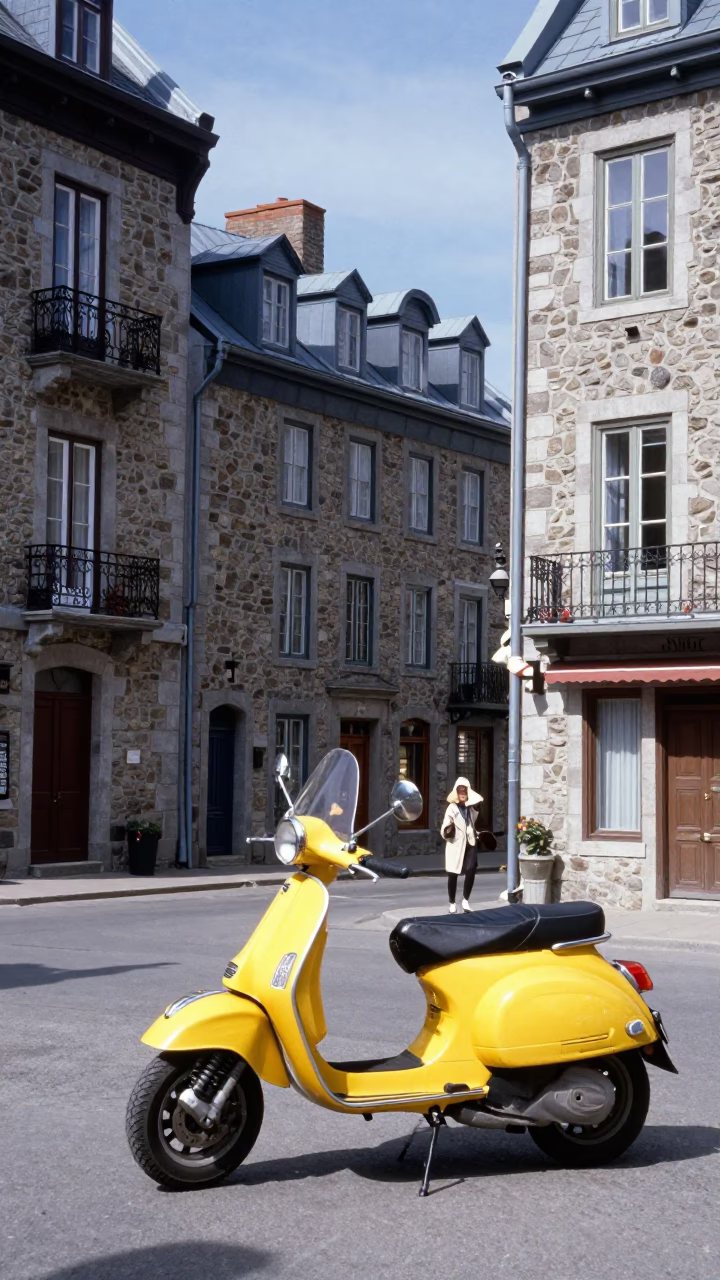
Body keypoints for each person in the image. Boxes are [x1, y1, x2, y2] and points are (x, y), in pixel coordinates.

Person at [441, 777, 484, 914]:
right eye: (460, 792)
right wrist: (447, 830)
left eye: (465, 791)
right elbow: (444, 827)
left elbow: (477, 808)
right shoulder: (452, 808)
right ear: (456, 793)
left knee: (471, 870)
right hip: (456, 843)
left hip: (470, 842)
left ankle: (465, 900)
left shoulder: (470, 809)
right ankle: (452, 902)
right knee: (453, 873)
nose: (462, 794)